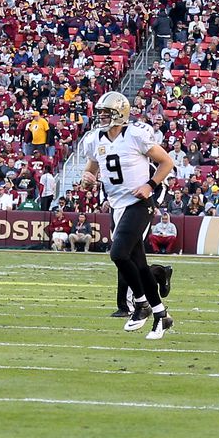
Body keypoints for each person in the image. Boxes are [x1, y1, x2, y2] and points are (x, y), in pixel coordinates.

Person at [80, 91, 175, 340]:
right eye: (100, 112)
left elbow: (167, 162)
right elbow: (90, 172)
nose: (102, 116)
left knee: (119, 253)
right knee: (140, 265)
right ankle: (161, 315)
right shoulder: (94, 139)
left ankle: (141, 302)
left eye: (106, 112)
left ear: (119, 114)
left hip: (139, 202)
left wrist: (150, 186)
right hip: (117, 205)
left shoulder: (135, 135)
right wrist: (86, 180)